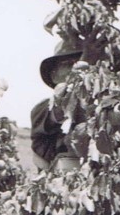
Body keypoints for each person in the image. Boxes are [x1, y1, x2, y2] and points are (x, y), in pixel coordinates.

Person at [30, 31, 86, 173]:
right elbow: (61, 110)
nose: (75, 67)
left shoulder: (99, 107)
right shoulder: (42, 109)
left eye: (78, 61)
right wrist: (87, 58)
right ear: (54, 75)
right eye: (68, 64)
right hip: (61, 180)